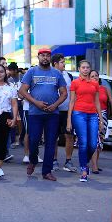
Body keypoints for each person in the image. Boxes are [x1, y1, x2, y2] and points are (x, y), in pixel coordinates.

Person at [19, 48, 67, 181]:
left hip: (53, 114)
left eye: (47, 56)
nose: (45, 58)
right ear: (38, 57)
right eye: (42, 55)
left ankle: (47, 171)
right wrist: (36, 103)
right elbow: (22, 91)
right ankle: (33, 160)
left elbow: (64, 93)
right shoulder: (32, 71)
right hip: (35, 113)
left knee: (51, 142)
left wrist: (55, 105)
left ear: (50, 58)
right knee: (33, 141)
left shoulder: (56, 73)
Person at [67, 61, 103, 182]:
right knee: (83, 142)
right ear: (79, 69)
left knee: (93, 144)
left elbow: (97, 102)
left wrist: (101, 119)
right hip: (78, 114)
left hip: (92, 114)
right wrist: (68, 120)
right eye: (83, 67)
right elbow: (71, 101)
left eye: (88, 67)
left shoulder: (95, 83)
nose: (85, 69)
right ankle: (83, 169)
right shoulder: (75, 83)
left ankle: (84, 161)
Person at [51, 53, 77, 172]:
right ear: (55, 63)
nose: (64, 64)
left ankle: (68, 161)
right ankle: (54, 160)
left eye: (64, 62)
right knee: (53, 137)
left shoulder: (69, 76)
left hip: (67, 111)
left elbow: (72, 95)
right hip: (54, 111)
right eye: (62, 62)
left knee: (69, 136)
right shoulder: (49, 74)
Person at [90, 70, 112, 173]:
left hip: (103, 115)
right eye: (92, 76)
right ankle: (94, 166)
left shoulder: (105, 89)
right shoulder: (88, 88)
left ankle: (96, 162)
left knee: (100, 140)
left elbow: (111, 101)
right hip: (91, 114)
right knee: (95, 140)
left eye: (96, 76)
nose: (95, 77)